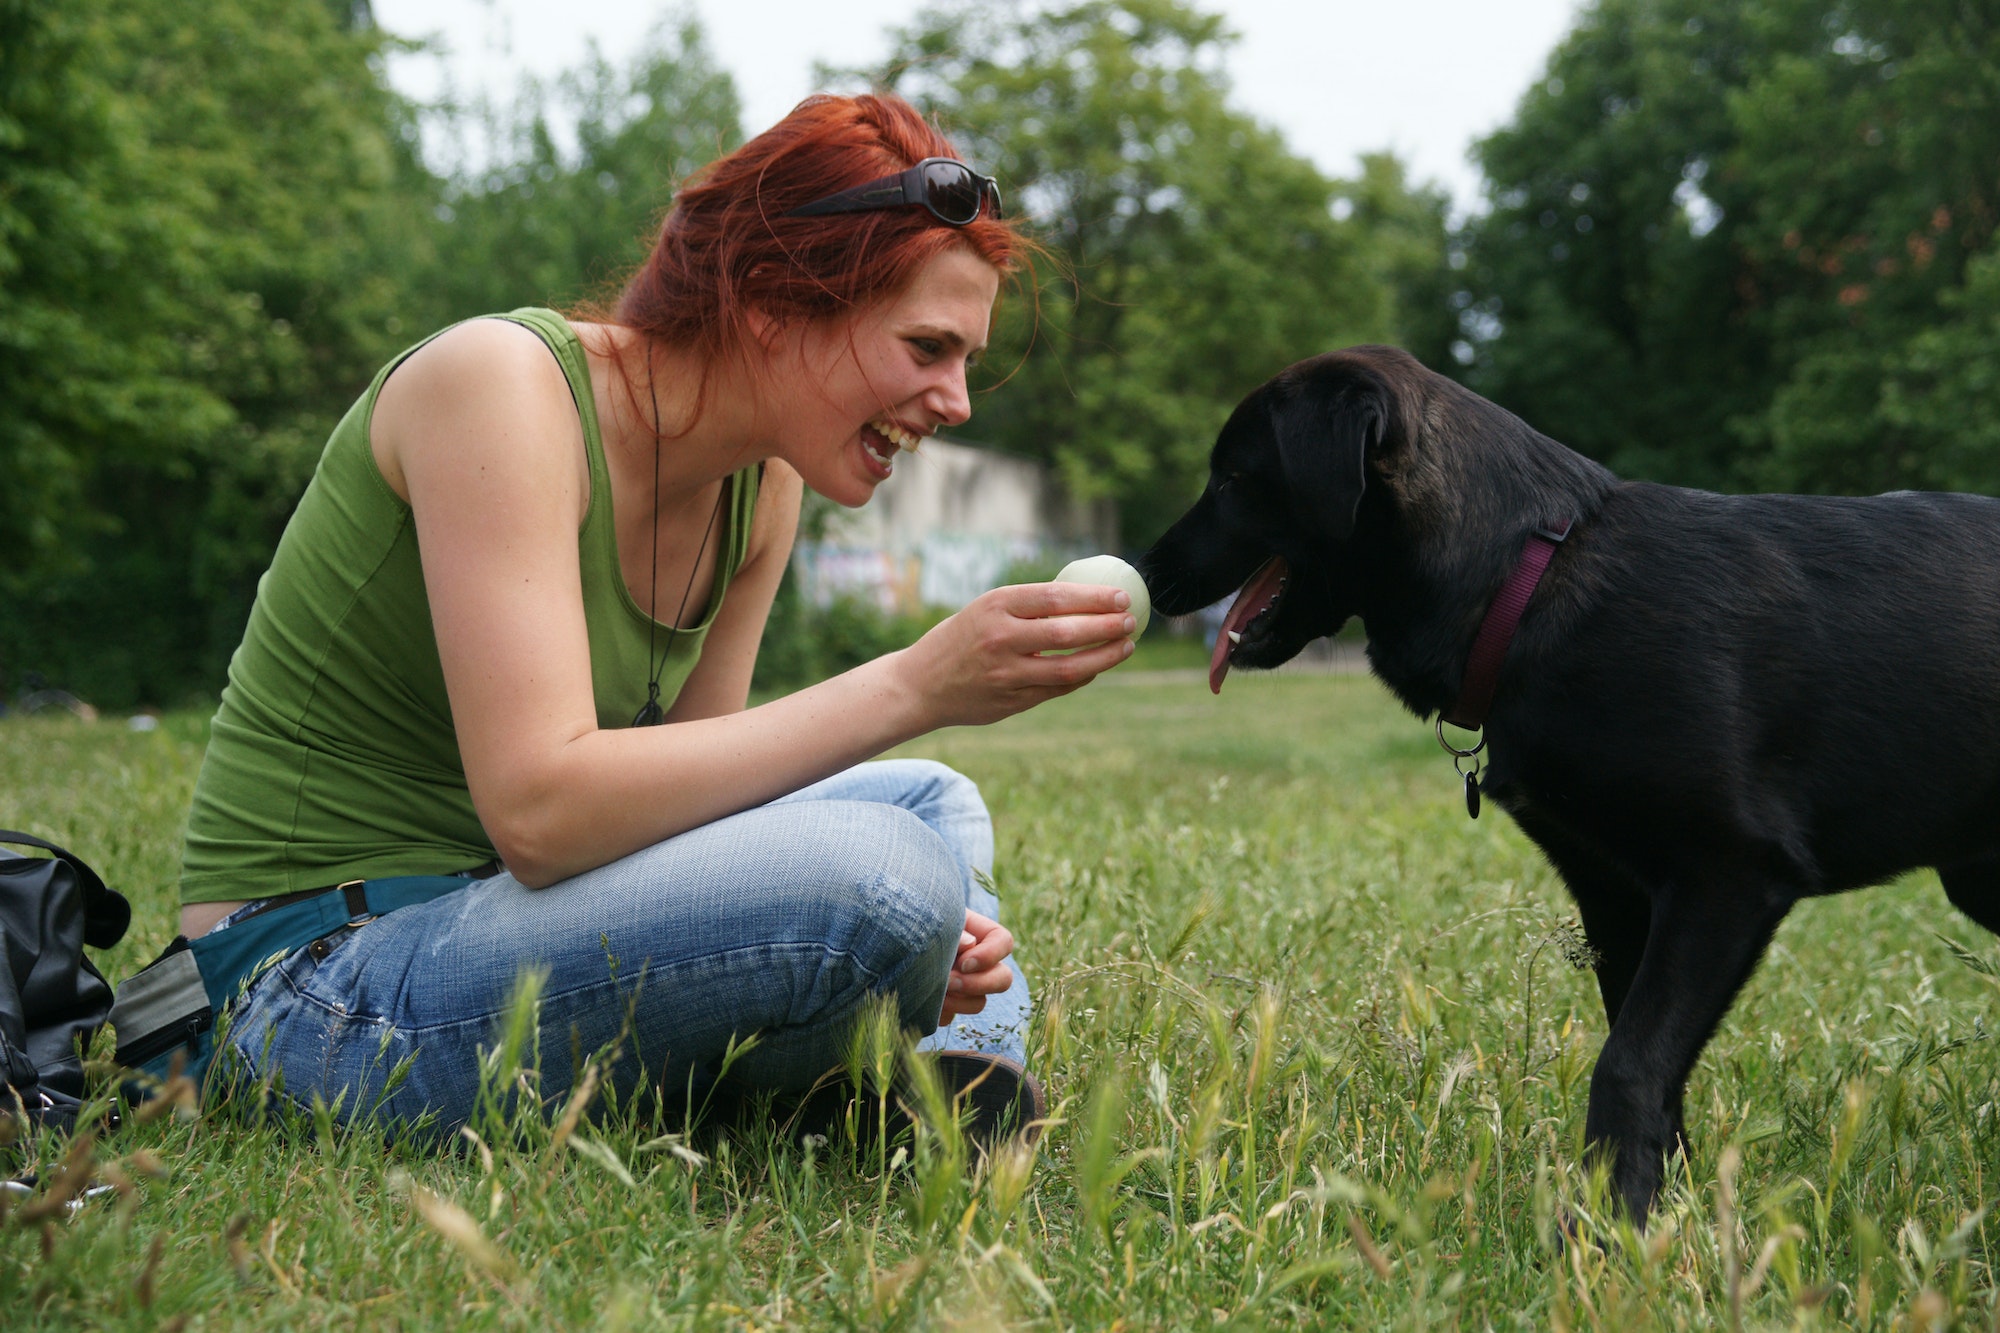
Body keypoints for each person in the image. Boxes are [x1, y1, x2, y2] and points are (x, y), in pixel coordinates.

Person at [168, 93, 1136, 1141]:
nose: (954, 401)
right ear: (773, 301)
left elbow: (691, 817)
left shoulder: (759, 486)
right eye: (925, 346)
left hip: (503, 934)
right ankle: (844, 1089)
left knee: (926, 805)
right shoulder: (499, 387)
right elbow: (540, 815)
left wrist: (927, 943)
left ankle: (946, 1087)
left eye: (964, 362)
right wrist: (914, 685)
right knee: (884, 877)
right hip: (314, 988)